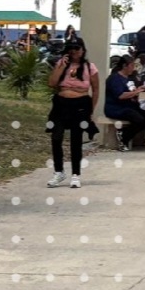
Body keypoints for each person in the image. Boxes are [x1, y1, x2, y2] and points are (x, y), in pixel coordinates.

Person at [46, 38, 99, 188]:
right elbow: (52, 83)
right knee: (56, 137)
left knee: (76, 139)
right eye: (71, 48)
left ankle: (76, 174)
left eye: (77, 48)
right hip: (61, 103)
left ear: (82, 50)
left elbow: (96, 90)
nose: (74, 51)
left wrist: (91, 110)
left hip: (80, 103)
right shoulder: (62, 64)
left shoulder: (89, 67)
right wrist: (61, 67)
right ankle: (58, 171)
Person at [105, 55, 145, 150]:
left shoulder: (128, 78)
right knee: (139, 120)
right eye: (131, 66)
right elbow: (120, 95)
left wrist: (138, 90)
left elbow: (130, 91)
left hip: (128, 106)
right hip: (116, 108)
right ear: (124, 66)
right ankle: (123, 137)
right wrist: (135, 92)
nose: (133, 68)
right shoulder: (115, 78)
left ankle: (139, 139)